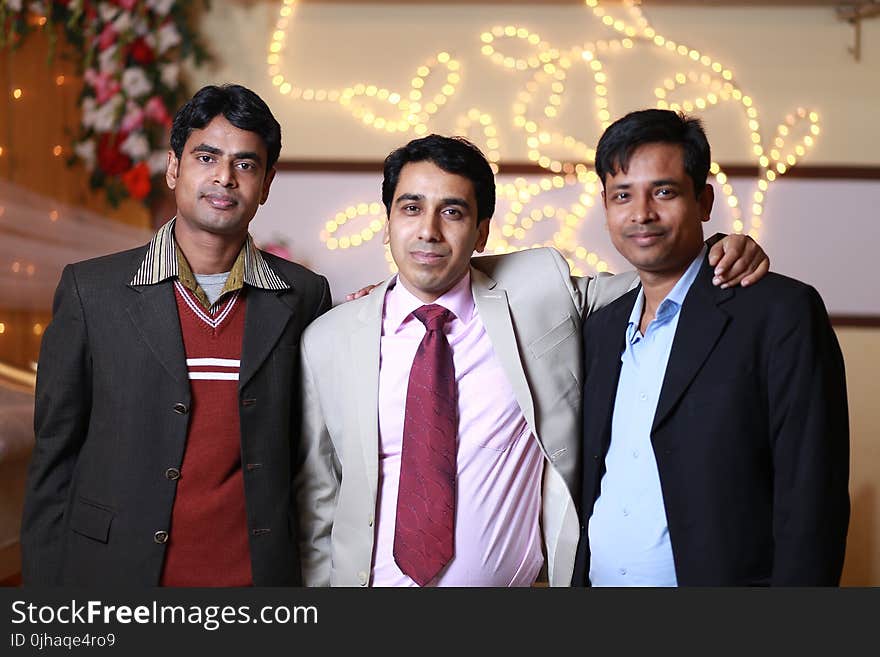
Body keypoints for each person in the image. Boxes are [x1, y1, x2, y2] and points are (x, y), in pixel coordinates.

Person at [295, 134, 768, 587]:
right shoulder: (330, 340)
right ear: (388, 222)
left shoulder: (537, 289)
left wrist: (717, 249)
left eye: (453, 212)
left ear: (481, 232)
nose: (428, 230)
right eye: (411, 207)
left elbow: (653, 281)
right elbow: (318, 503)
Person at [20, 84, 331, 586]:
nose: (224, 178)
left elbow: (313, 453)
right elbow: (54, 461)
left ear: (267, 182)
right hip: (114, 578)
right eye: (206, 156)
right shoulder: (91, 292)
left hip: (256, 581)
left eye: (246, 164)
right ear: (174, 167)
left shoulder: (304, 297)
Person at [572, 109, 850, 587]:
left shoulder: (779, 313)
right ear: (605, 206)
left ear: (703, 200)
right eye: (623, 195)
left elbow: (812, 497)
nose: (642, 214)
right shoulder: (599, 328)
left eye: (664, 191)